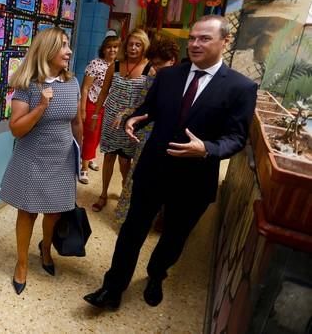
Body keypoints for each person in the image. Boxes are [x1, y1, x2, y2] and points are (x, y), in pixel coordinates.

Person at [83, 15, 257, 310]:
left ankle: (155, 275)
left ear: (224, 42)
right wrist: (132, 120)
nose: (195, 44)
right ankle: (112, 288)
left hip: (195, 179)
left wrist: (207, 148)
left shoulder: (241, 88)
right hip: (153, 170)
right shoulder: (168, 76)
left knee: (174, 237)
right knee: (131, 231)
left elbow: (237, 138)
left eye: (204, 38)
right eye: (192, 38)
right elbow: (148, 111)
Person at [0, 27, 82, 295]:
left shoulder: (73, 83)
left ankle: (46, 248)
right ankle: (22, 263)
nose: (69, 51)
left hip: (63, 157)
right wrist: (42, 107)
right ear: (47, 50)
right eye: (63, 46)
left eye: (68, 45)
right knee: (28, 212)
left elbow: (77, 121)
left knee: (55, 211)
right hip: (32, 159)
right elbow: (17, 128)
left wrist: (80, 158)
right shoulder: (27, 85)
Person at [113, 37, 180, 226]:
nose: (155, 68)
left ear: (172, 60)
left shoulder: (184, 82)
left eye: (159, 65)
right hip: (146, 134)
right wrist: (127, 114)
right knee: (137, 176)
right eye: (154, 65)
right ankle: (127, 218)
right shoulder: (153, 78)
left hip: (170, 139)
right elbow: (141, 105)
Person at [91, 29, 152, 212]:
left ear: (143, 47)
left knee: (125, 162)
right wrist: (95, 114)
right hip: (110, 118)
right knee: (108, 157)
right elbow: (103, 92)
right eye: (131, 44)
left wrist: (130, 114)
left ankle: (125, 196)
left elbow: (149, 102)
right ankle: (103, 194)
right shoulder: (116, 65)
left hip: (130, 123)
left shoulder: (150, 69)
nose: (133, 48)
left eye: (138, 44)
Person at [78, 35, 120, 184]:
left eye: (115, 47)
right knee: (91, 135)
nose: (112, 50)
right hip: (93, 104)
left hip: (109, 107)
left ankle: (88, 158)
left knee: (99, 136)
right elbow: (85, 88)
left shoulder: (120, 66)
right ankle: (84, 168)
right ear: (103, 49)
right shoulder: (95, 64)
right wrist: (82, 109)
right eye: (109, 47)